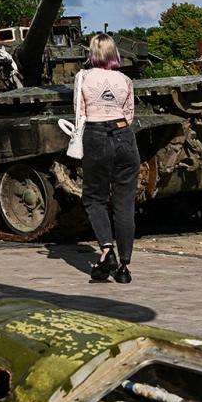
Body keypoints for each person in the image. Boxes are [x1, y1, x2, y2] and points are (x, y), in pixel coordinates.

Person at [76, 32, 137, 283]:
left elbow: (80, 113)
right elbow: (129, 114)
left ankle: (106, 250)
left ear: (92, 53)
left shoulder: (83, 77)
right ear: (114, 53)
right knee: (124, 203)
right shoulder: (125, 79)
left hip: (96, 134)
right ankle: (124, 267)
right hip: (124, 135)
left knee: (94, 198)